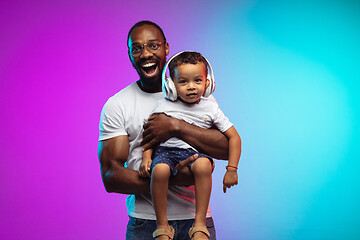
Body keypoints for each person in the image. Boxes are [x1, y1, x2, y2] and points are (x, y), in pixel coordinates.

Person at [98, 21, 230, 240]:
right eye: (137, 48)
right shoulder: (117, 104)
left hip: (197, 223)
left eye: (153, 46)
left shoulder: (195, 93)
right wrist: (177, 178)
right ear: (130, 55)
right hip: (146, 224)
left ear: (166, 49)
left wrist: (175, 126)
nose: (145, 54)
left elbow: (226, 148)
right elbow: (111, 177)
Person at [139, 51, 241, 240]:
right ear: (171, 85)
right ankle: (162, 226)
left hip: (195, 154)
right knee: (159, 170)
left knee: (203, 166)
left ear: (208, 83)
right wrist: (146, 158)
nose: (191, 87)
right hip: (166, 152)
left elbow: (234, 137)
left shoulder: (210, 107)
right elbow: (149, 136)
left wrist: (232, 169)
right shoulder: (164, 104)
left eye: (197, 81)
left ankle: (199, 224)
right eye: (183, 82)